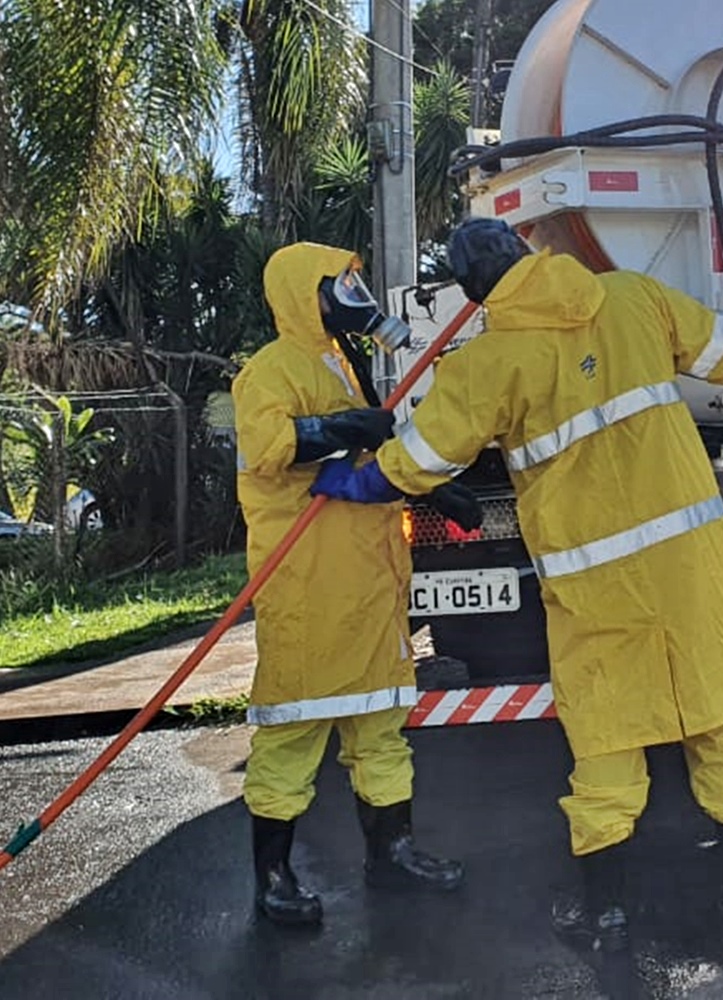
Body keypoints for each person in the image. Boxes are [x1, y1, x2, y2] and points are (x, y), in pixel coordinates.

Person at [311, 218, 723, 953]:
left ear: (476, 290)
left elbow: (422, 455)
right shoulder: (632, 298)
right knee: (720, 722)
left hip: (594, 584)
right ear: (525, 252)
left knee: (605, 742)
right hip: (690, 570)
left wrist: (360, 480)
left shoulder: (489, 363)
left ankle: (605, 910)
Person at [234, 242, 473, 928]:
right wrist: (335, 428)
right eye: (341, 282)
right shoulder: (269, 371)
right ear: (306, 292)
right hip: (307, 583)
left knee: (381, 727)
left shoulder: (344, 365)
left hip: (369, 581)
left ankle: (392, 853)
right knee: (292, 732)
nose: (354, 292)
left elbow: (379, 453)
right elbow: (268, 447)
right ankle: (274, 877)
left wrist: (437, 489)